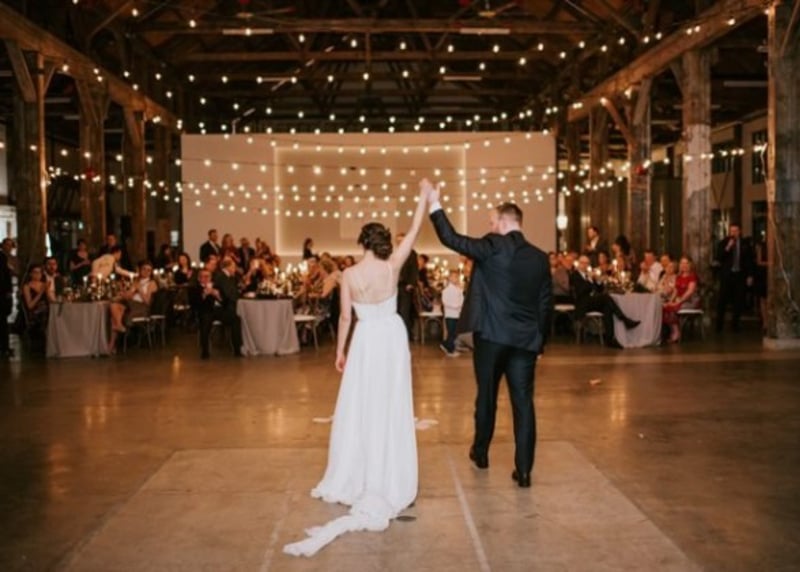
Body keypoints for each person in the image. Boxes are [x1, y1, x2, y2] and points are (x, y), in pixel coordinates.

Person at [283, 180, 431, 558]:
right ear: (383, 244)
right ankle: (390, 471)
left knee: (363, 403)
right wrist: (424, 198)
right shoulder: (393, 266)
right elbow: (416, 230)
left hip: (365, 340)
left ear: (362, 243)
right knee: (391, 404)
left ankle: (357, 471)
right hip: (391, 338)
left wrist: (340, 351)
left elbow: (346, 317)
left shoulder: (349, 275)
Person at [428, 192, 552, 490]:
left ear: (504, 222)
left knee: (486, 396)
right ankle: (524, 471)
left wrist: (434, 202)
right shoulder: (539, 257)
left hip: (492, 337)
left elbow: (451, 238)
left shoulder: (493, 245)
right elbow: (545, 304)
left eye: (492, 222)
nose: (490, 226)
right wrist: (540, 344)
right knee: (523, 404)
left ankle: (481, 453)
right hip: (525, 341)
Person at [570, 255, 640, 346]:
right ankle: (624, 319)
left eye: (587, 263)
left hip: (593, 301)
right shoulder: (575, 275)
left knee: (607, 308)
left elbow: (600, 289)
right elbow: (581, 291)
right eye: (583, 263)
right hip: (583, 303)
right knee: (606, 298)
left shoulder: (589, 275)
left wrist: (598, 281)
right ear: (579, 264)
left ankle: (610, 339)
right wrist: (589, 280)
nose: (585, 265)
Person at [190, 259, 243, 359]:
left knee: (235, 319)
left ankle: (237, 349)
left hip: (219, 311)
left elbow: (225, 301)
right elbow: (195, 304)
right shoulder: (195, 289)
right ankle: (205, 351)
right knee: (205, 321)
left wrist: (217, 295)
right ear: (199, 278)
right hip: (205, 312)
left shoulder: (216, 286)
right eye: (203, 277)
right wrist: (204, 294)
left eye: (207, 277)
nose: (205, 279)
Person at [108, 260, 158, 353]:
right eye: (144, 269)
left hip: (142, 307)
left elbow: (147, 301)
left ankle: (112, 344)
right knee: (114, 309)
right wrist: (124, 293)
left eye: (149, 270)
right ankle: (118, 330)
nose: (146, 272)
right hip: (131, 303)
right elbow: (129, 296)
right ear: (140, 270)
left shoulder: (152, 283)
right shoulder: (136, 281)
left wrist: (139, 290)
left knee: (114, 316)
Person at [715, 222, 755, 332]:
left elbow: (749, 260)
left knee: (738, 300)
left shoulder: (745, 244)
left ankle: (735, 324)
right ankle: (719, 325)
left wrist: (750, 275)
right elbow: (719, 257)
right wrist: (728, 247)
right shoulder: (723, 243)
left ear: (739, 231)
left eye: (736, 231)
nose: (733, 233)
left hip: (740, 275)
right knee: (722, 300)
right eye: (732, 231)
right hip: (727, 275)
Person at [663, 257, 701, 343]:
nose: (684, 265)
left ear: (690, 264)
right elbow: (675, 290)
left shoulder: (692, 276)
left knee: (672, 307)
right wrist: (671, 301)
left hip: (690, 301)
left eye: (686, 263)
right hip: (679, 300)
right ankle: (675, 330)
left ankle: (676, 333)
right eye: (682, 263)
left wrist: (678, 302)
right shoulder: (679, 276)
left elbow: (690, 292)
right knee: (665, 306)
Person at [396, 232, 419, 340]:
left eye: (401, 240)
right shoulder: (395, 253)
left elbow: (414, 270)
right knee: (396, 311)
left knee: (404, 311)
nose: (399, 243)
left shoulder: (412, 253)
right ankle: (397, 335)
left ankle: (405, 335)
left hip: (405, 287)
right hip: (395, 287)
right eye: (398, 241)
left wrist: (411, 283)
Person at [440, 269, 464, 357]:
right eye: (454, 277)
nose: (456, 279)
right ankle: (450, 349)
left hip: (457, 314)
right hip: (450, 314)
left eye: (457, 277)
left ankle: (446, 345)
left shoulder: (458, 289)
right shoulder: (446, 290)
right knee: (451, 332)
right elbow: (445, 302)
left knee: (455, 332)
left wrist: (459, 305)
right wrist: (455, 306)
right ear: (449, 278)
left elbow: (461, 299)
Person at [0, 239, 12, 357]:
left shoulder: (6, 258)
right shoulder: (2, 258)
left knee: (3, 321)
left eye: (10, 246)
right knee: (2, 321)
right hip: (2, 294)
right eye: (7, 245)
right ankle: (4, 347)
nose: (9, 247)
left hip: (4, 293)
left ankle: (4, 347)